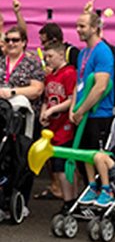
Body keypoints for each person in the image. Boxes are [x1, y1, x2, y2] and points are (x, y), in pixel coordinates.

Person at [71, 11, 115, 200]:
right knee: (83, 154)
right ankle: (91, 186)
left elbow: (100, 87)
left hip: (99, 114)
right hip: (83, 114)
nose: (78, 30)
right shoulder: (83, 53)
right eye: (77, 26)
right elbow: (79, 83)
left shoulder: (103, 51)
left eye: (82, 26)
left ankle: (106, 189)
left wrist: (81, 109)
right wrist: (73, 109)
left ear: (95, 28)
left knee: (97, 154)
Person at [38, 42, 77, 209]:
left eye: (50, 56)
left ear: (61, 55)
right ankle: (68, 199)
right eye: (46, 57)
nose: (47, 60)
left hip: (65, 126)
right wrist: (44, 112)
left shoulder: (69, 73)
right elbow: (47, 99)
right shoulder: (50, 76)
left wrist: (53, 109)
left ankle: (70, 201)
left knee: (63, 165)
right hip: (53, 127)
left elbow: (71, 99)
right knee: (57, 165)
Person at [1, 25, 45, 113]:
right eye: (7, 40)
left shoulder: (33, 63)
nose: (10, 43)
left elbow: (37, 90)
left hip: (23, 115)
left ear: (24, 42)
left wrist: (12, 92)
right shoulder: (1, 61)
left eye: (15, 40)